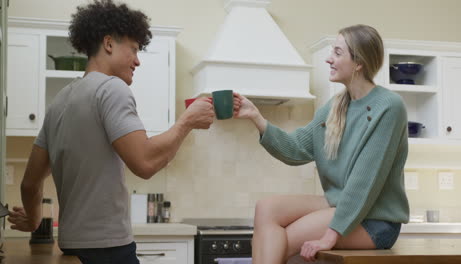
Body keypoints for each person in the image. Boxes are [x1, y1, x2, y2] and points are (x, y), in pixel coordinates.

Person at [7, 0, 214, 263]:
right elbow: (145, 162)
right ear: (108, 44)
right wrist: (187, 122)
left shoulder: (59, 101)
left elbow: (29, 183)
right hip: (109, 248)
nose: (138, 61)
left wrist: (34, 219)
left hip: (72, 246)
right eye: (134, 49)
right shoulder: (111, 89)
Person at [233, 24, 409, 263]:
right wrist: (256, 117)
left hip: (374, 220)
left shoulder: (388, 106)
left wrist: (330, 235)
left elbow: (364, 181)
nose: (329, 59)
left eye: (337, 53)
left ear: (359, 63)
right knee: (266, 208)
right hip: (339, 206)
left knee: (281, 241)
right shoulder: (335, 106)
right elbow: (296, 149)